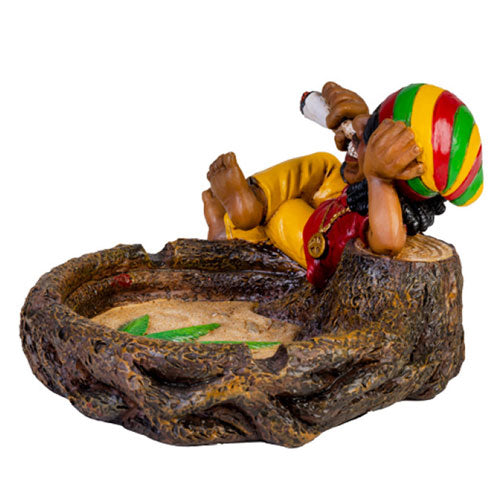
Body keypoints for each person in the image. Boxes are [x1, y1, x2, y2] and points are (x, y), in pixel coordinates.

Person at [202, 82, 480, 288]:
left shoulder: (385, 215)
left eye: (374, 134)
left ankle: (231, 231)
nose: (361, 130)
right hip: (341, 204)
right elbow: (360, 163)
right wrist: (359, 126)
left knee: (283, 213)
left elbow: (388, 242)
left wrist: (378, 179)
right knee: (323, 164)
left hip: (323, 248)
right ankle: (252, 201)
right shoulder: (368, 185)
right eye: (374, 122)